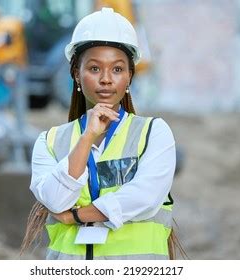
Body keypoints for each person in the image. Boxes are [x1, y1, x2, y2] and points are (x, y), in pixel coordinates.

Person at [22, 7, 177, 260]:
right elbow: (55, 199)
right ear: (76, 74)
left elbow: (144, 197)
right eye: (94, 69)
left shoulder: (154, 133)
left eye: (117, 69)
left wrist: (77, 215)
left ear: (129, 77)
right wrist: (87, 138)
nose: (106, 79)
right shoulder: (48, 142)